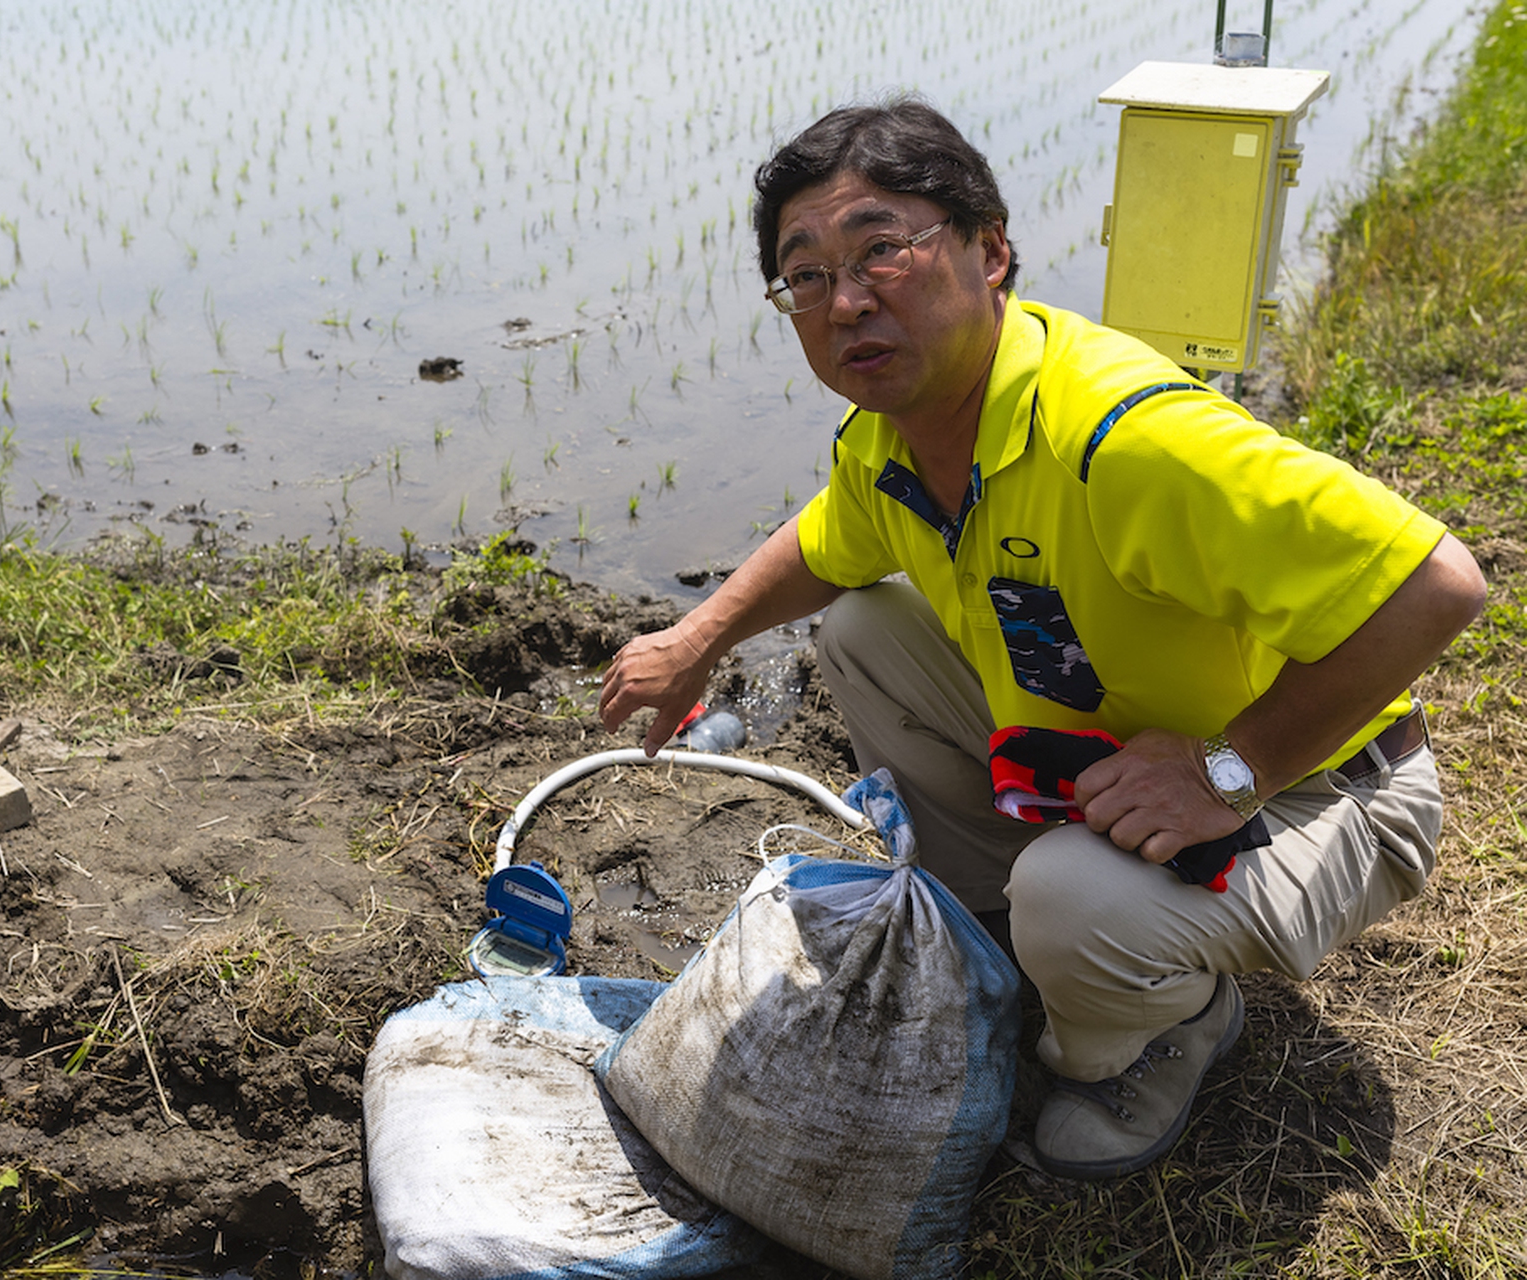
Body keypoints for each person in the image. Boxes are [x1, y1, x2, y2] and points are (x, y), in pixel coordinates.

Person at [597, 98, 1486, 1181]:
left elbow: (1435, 585)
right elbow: (834, 543)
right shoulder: (895, 439)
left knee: (1071, 894)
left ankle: (1157, 1025)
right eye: (809, 275)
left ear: (991, 251)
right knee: (866, 631)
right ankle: (1009, 947)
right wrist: (696, 636)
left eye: (883, 248)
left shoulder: (1124, 436)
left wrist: (1230, 765)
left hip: (1331, 783)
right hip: (1131, 743)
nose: (847, 300)